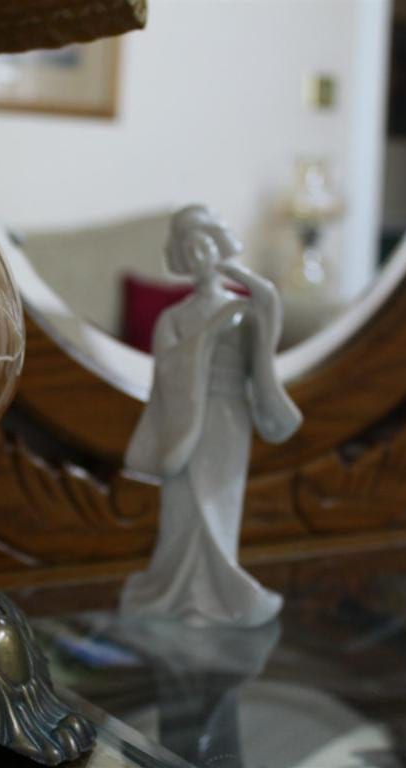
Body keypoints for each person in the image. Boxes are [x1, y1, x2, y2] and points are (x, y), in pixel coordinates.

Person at [121, 205, 302, 627]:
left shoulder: (242, 311)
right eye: (189, 249)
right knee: (182, 511)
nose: (198, 256)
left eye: (204, 246)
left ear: (218, 248)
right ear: (180, 257)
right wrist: (208, 336)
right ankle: (178, 594)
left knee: (221, 506)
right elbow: (168, 369)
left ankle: (217, 599)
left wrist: (250, 288)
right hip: (187, 419)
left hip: (229, 416)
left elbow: (265, 337)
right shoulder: (173, 318)